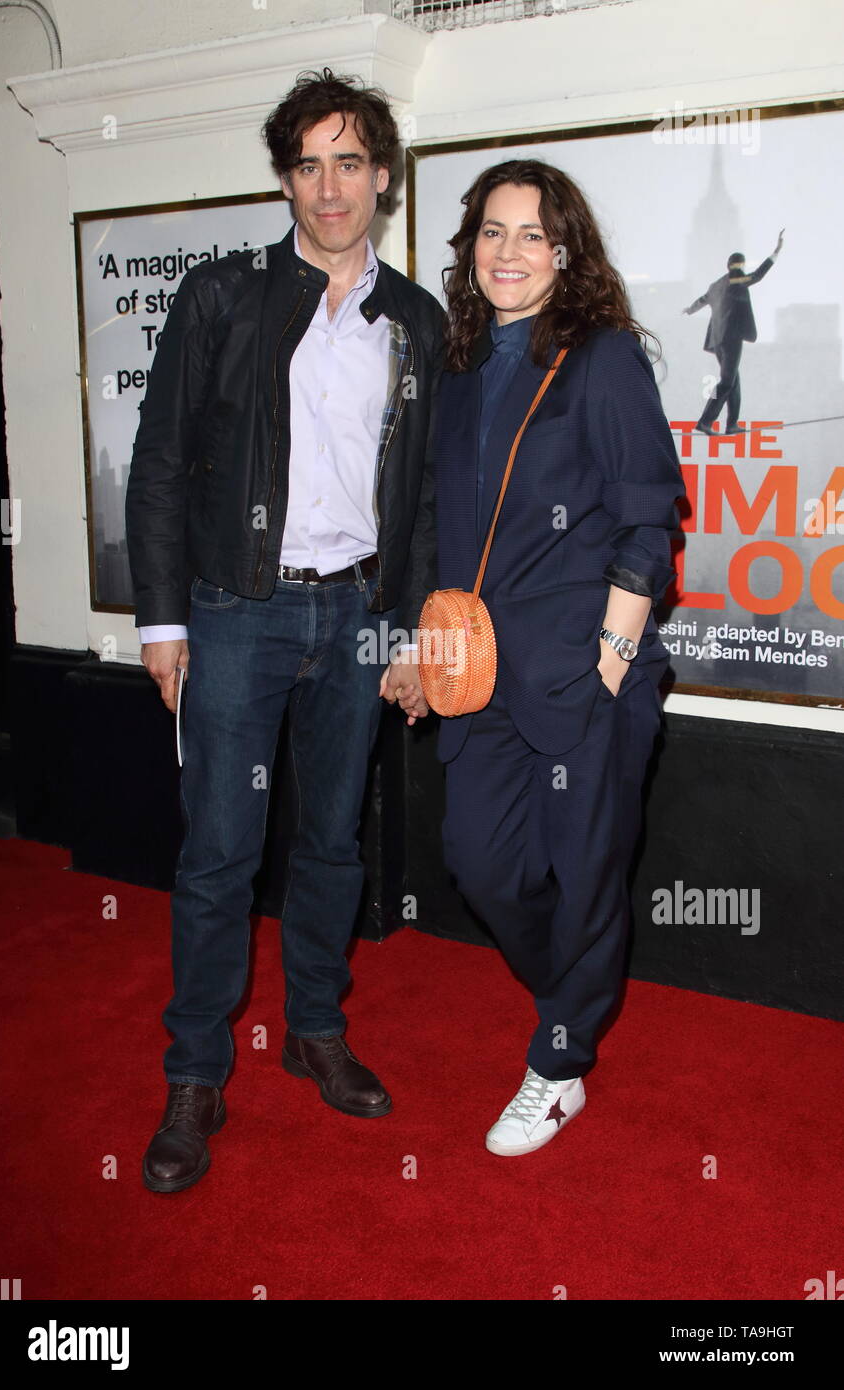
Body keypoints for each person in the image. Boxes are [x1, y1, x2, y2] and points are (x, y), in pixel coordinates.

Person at [125, 68, 443, 1194]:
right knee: (217, 851)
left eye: (349, 161)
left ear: (381, 178)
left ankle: (315, 1028)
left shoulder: (415, 318)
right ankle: (196, 1073)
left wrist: (406, 627)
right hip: (235, 611)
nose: (328, 186)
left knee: (334, 844)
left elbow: (424, 495)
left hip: (357, 609)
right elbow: (159, 462)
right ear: (282, 179)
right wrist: (161, 620)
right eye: (306, 163)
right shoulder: (220, 297)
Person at [396, 158, 685, 1156]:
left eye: (530, 234)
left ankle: (558, 1063)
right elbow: (437, 522)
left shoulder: (599, 359)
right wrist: (419, 644)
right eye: (490, 231)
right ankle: (573, 980)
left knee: (585, 870)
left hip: (584, 676)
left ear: (564, 255)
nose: (506, 251)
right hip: (476, 674)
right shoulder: (460, 367)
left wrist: (610, 660)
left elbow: (648, 519)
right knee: (481, 862)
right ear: (468, 249)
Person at [684, 229, 784, 435]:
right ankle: (705, 421)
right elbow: (758, 275)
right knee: (728, 382)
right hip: (730, 339)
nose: (741, 269)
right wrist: (776, 252)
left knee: (734, 382)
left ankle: (732, 424)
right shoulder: (736, 280)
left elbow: (702, 300)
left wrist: (689, 310)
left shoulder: (716, 285)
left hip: (717, 341)